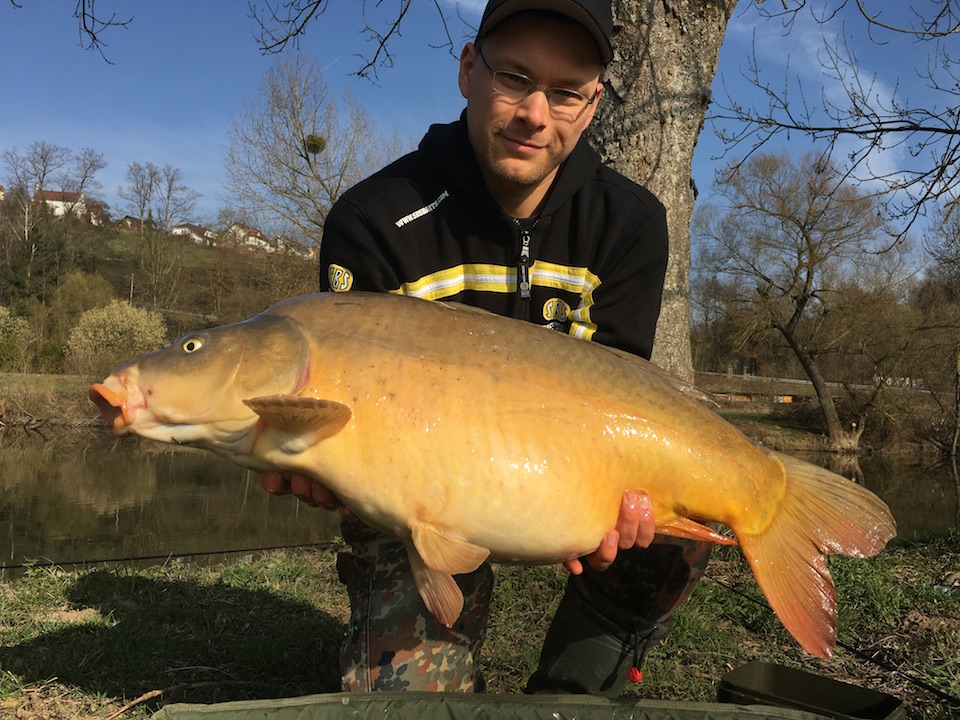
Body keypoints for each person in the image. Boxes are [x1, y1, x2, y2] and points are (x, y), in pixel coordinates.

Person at [261, 0, 713, 696]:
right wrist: (322, 468)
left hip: (566, 484)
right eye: (514, 78)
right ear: (469, 70)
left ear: (592, 105)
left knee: (691, 511)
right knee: (408, 702)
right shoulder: (373, 218)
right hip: (417, 500)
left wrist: (621, 501)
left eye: (565, 93)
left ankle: (575, 693)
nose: (536, 112)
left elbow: (623, 383)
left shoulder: (633, 222)